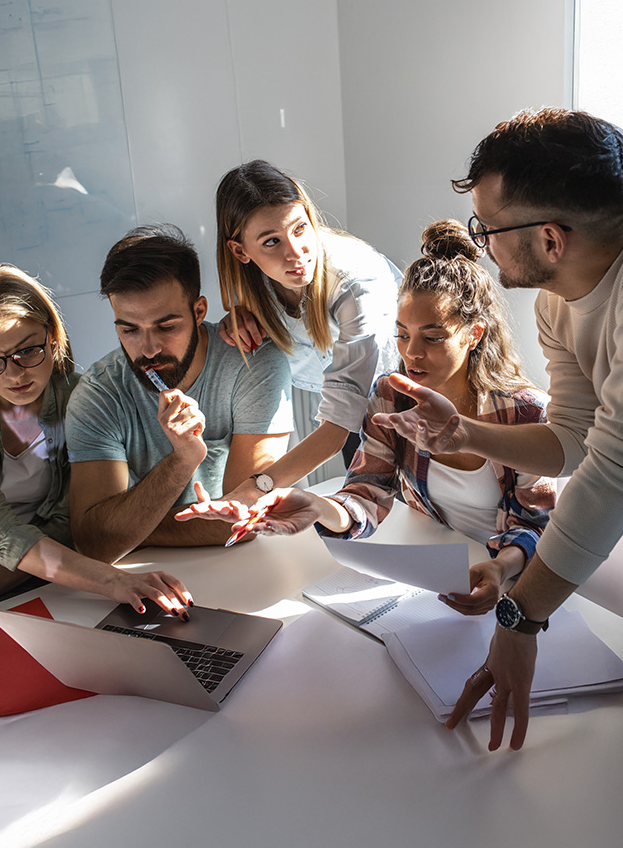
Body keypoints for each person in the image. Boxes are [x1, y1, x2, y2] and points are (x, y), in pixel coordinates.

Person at [372, 108, 623, 751]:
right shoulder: (555, 303)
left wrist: (519, 619)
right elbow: (571, 439)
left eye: (486, 228)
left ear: (550, 240)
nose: (478, 242)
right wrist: (466, 435)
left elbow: (608, 478)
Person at [192, 220, 556, 616]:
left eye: (433, 337)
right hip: (439, 574)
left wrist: (499, 570)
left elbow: (536, 527)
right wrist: (315, 506)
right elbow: (366, 495)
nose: (412, 353)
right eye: (402, 334)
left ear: (474, 334)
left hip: (516, 584)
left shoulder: (526, 413)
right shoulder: (390, 398)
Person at [0, 264, 192, 615]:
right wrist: (111, 580)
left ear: (52, 335)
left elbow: (74, 520)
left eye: (27, 351)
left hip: (28, 579)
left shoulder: (84, 398)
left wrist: (6, 578)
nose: (15, 374)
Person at [65, 224, 293, 565]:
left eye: (166, 327)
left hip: (246, 564)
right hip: (145, 576)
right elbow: (95, 544)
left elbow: (244, 519)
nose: (149, 349)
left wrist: (131, 528)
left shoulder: (254, 362)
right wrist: (182, 460)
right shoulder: (98, 394)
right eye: (129, 330)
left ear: (199, 311)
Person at [215, 159, 402, 489]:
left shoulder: (354, 283)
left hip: (409, 398)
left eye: (300, 228)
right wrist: (237, 318)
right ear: (240, 251)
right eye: (272, 241)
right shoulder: (254, 284)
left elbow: (335, 428)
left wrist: (255, 491)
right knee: (368, 503)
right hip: (354, 411)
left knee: (411, 508)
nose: (296, 254)